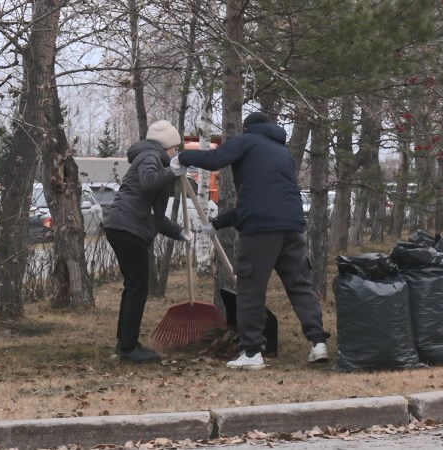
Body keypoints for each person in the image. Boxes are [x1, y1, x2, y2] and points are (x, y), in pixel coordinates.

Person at [174, 112, 330, 370]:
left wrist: (183, 157)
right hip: (291, 226)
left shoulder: (246, 140)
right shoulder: (282, 153)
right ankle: (318, 343)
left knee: (250, 288)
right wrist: (215, 224)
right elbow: (262, 202)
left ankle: (251, 352)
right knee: (300, 285)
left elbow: (216, 160)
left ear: (248, 128)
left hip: (260, 232)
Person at [104, 120, 191, 363]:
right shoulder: (150, 157)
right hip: (127, 229)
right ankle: (129, 347)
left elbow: (155, 218)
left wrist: (181, 233)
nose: (175, 153)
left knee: (134, 286)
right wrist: (173, 170)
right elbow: (148, 182)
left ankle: (126, 343)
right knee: (138, 287)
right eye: (174, 149)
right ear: (165, 146)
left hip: (122, 226)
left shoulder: (150, 158)